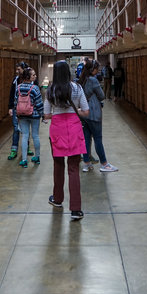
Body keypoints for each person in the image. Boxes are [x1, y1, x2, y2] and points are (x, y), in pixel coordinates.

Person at [44, 60, 89, 220]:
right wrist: (74, 110)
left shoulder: (51, 90)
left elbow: (46, 114)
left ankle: (57, 199)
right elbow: (86, 111)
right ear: (68, 72)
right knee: (73, 168)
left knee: (58, 165)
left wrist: (58, 111)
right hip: (74, 127)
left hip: (57, 129)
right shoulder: (77, 88)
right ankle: (76, 209)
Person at [78, 59, 118, 173]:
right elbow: (101, 96)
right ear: (93, 70)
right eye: (97, 69)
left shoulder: (81, 80)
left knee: (86, 139)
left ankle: (86, 163)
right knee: (98, 139)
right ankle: (104, 164)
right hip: (94, 113)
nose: (98, 70)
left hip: (83, 113)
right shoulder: (93, 81)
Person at [14, 67, 43, 168]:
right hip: (34, 115)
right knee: (35, 136)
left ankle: (24, 160)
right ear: (28, 77)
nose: (35, 76)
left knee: (25, 136)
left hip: (22, 115)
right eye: (33, 75)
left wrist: (17, 114)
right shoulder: (35, 88)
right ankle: (37, 157)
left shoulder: (18, 87)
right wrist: (42, 114)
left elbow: (16, 101)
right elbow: (39, 103)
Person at [7, 61, 35, 160]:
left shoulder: (30, 81)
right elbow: (11, 94)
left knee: (25, 129)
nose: (17, 71)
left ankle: (26, 148)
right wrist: (10, 107)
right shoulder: (15, 80)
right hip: (16, 107)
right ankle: (14, 150)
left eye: (19, 69)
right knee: (16, 129)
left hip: (27, 108)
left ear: (24, 70)